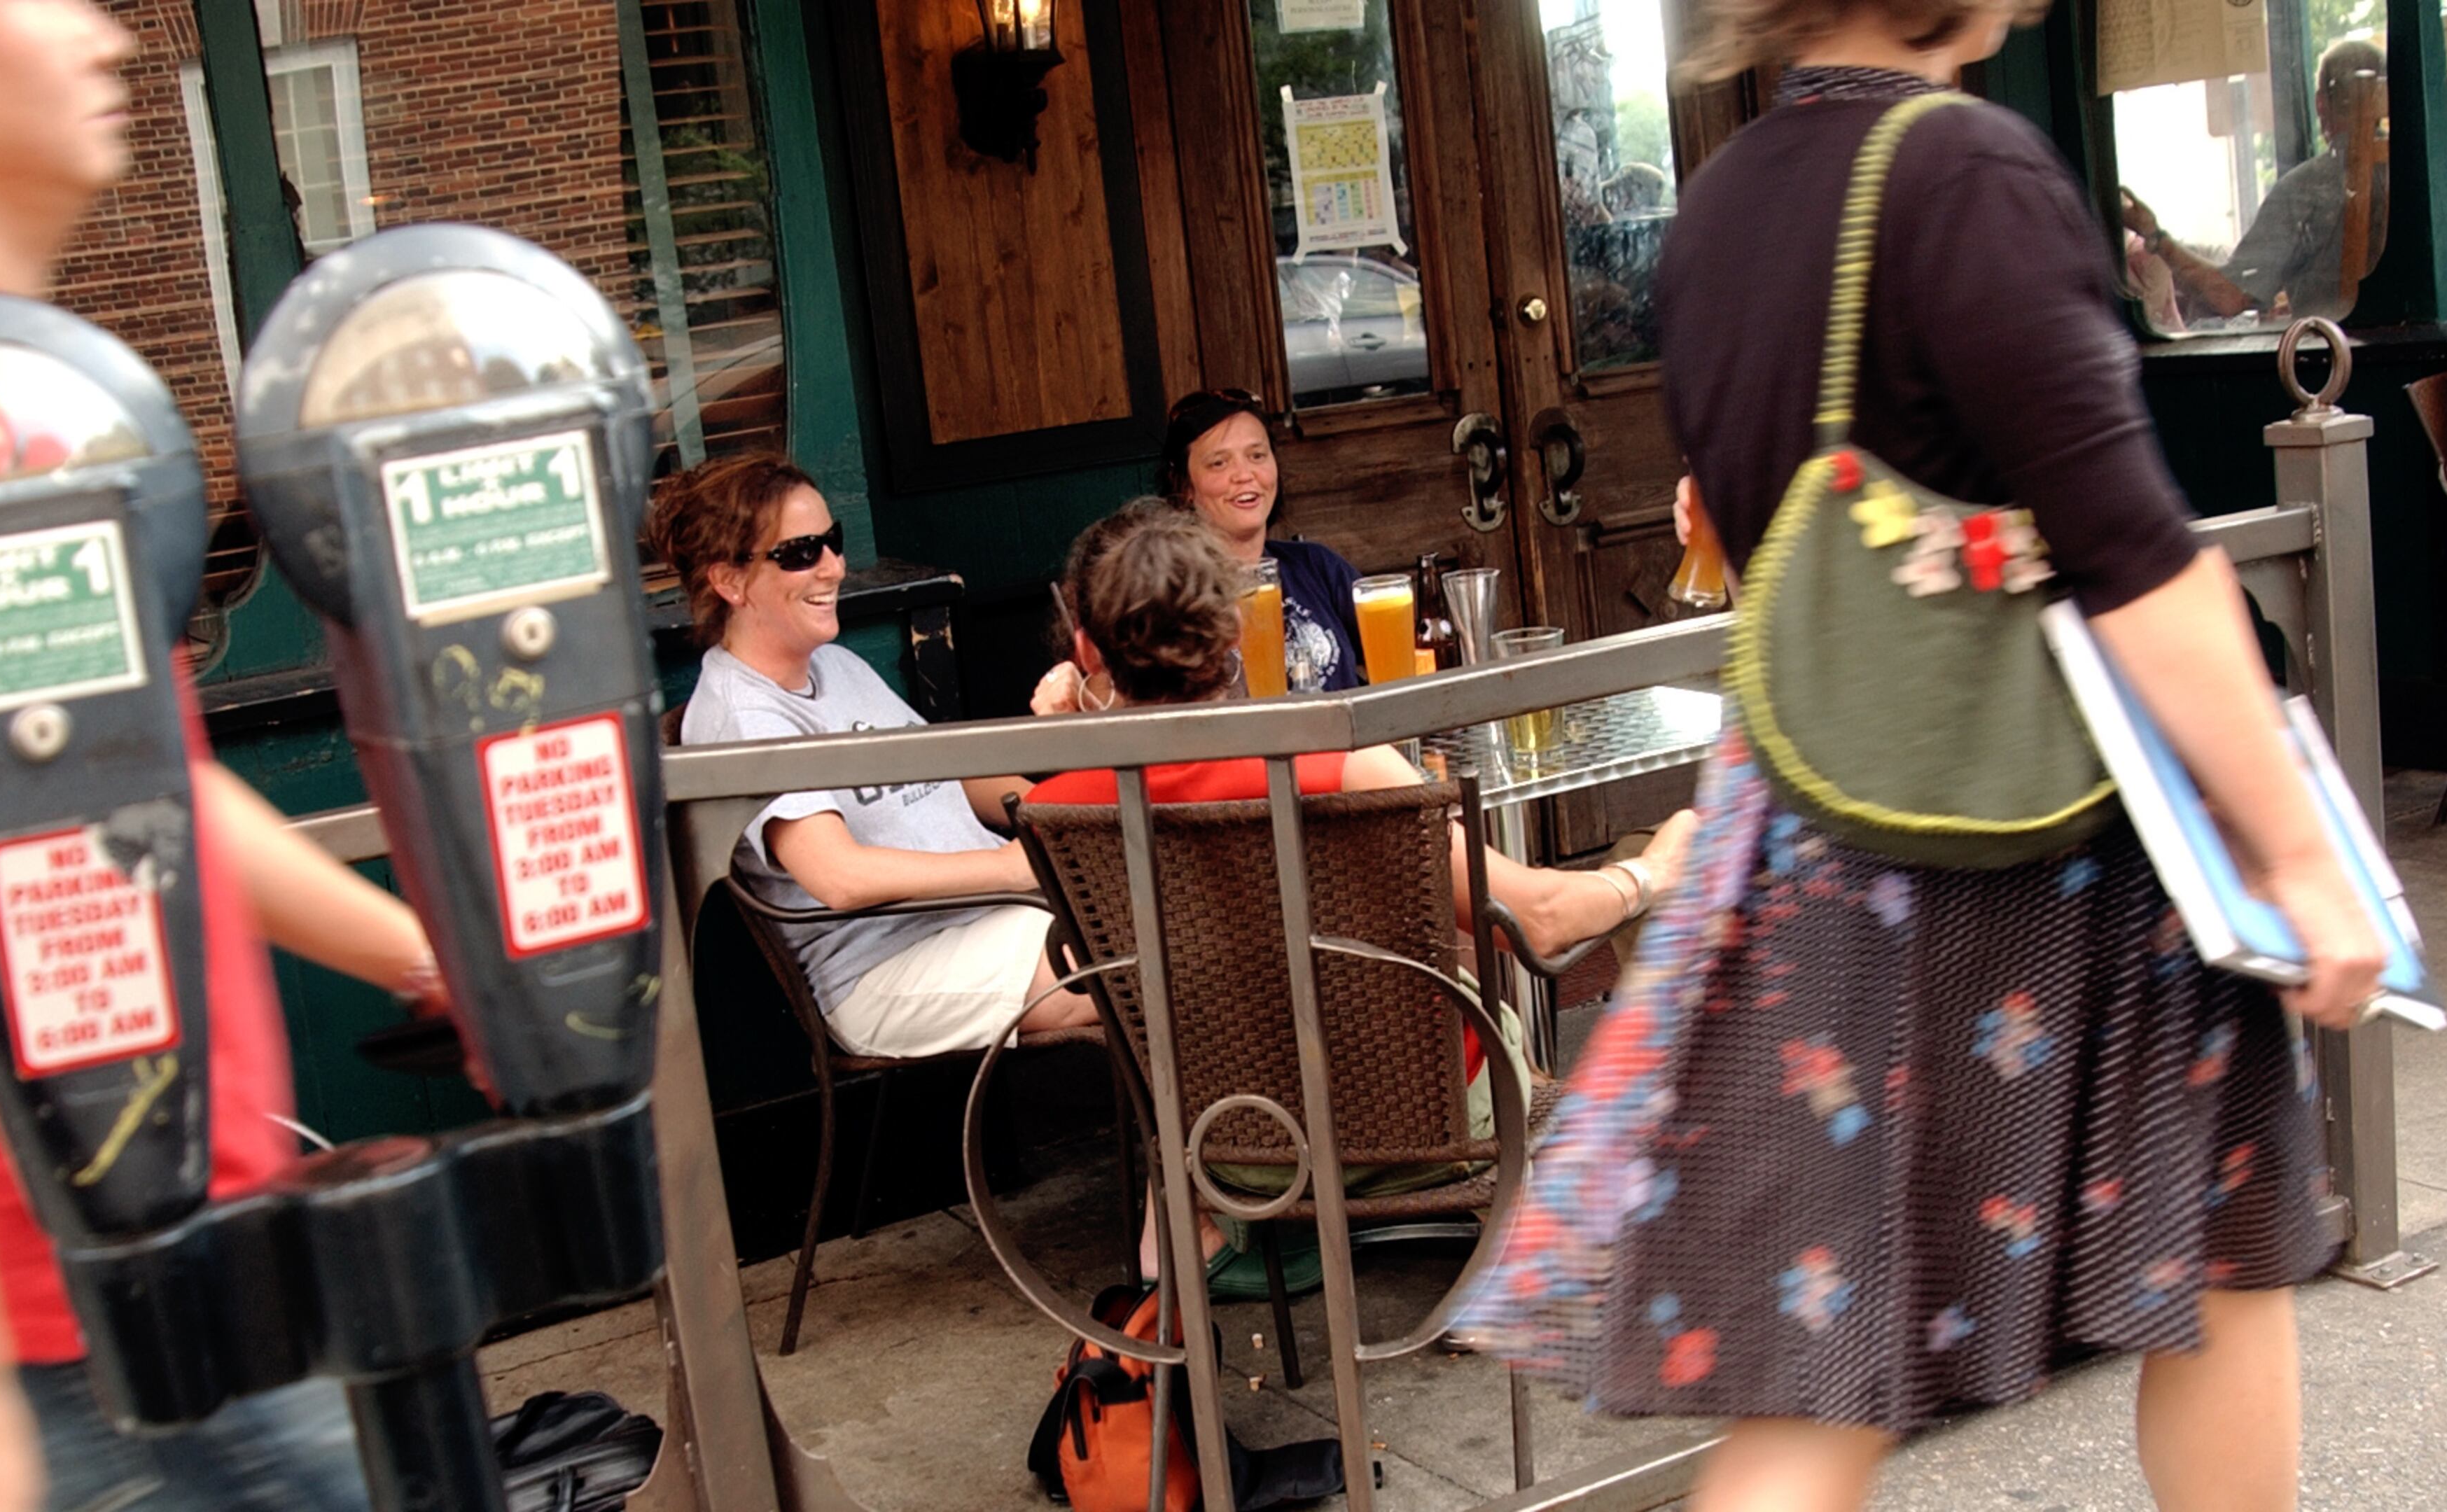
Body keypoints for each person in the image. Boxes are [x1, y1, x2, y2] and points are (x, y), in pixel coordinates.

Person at [1460, 6, 2386, 1511]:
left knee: (1821, 1379)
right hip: (2042, 843)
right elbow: (2133, 558)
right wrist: (2295, 855)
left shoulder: (1725, 207)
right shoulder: (1966, 174)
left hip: (1821, 846)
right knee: (2218, 1252)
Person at [0, 3, 449, 1508]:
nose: (113, 38)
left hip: (143, 1256)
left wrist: (424, 958)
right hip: (51, 1305)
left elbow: (119, 782)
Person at [1026, 502, 1696, 1293]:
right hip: (1425, 1130)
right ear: (1237, 633)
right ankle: (1532, 1226)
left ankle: (1231, 1242)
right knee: (1501, 996)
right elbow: (1538, 923)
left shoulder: (1061, 806)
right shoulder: (1340, 764)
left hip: (1232, 1152)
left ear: (1085, 651)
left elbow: (1044, 1007)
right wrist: (1651, 872)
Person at [657, 454, 1099, 1056]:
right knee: (1143, 956)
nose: (834, 568)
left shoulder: (836, 665)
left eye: (832, 543)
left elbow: (950, 774)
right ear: (729, 582)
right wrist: (1018, 868)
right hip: (888, 971)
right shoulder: (743, 716)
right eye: (800, 553)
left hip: (991, 920)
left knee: (1176, 920)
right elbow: (840, 877)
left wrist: (1074, 819)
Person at [1035, 388, 1367, 710]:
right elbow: (1119, 702)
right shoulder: (1168, 592)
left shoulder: (1317, 566)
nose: (1244, 474)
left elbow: (1404, 657)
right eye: (1219, 463)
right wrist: (1075, 690)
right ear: (1185, 487)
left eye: (1257, 455)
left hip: (1337, 759)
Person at [2121, 39, 2388, 323]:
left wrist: (2155, 237)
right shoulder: (2419, 174)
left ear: (2320, 104)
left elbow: (2229, 296)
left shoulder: (2306, 189)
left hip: (2329, 358)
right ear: (2384, 100)